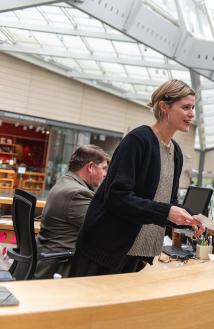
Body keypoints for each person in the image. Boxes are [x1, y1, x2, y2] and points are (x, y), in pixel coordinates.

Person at [70, 79, 205, 277]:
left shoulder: (175, 152)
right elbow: (117, 197)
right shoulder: (138, 140)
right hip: (107, 248)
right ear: (164, 106)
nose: (192, 113)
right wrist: (167, 212)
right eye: (185, 107)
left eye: (192, 107)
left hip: (139, 251)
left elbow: (169, 201)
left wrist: (191, 218)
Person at [35, 145, 110, 279]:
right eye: (104, 168)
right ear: (91, 167)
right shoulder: (78, 193)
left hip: (47, 256)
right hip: (61, 266)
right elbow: (104, 230)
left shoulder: (66, 182)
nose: (105, 174)